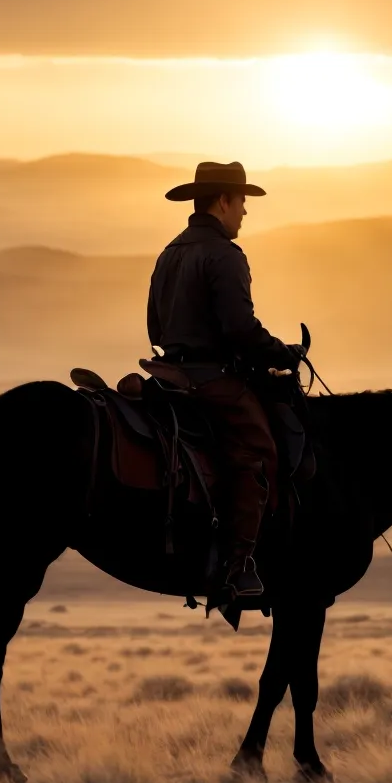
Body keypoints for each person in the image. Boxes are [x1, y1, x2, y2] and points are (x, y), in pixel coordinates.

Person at [147, 161, 302, 599]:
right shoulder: (224, 256)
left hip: (170, 370)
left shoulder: (169, 252)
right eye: (242, 203)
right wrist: (281, 353)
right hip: (210, 378)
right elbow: (240, 330)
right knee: (257, 450)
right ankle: (239, 565)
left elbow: (155, 329)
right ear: (223, 201)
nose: (245, 214)